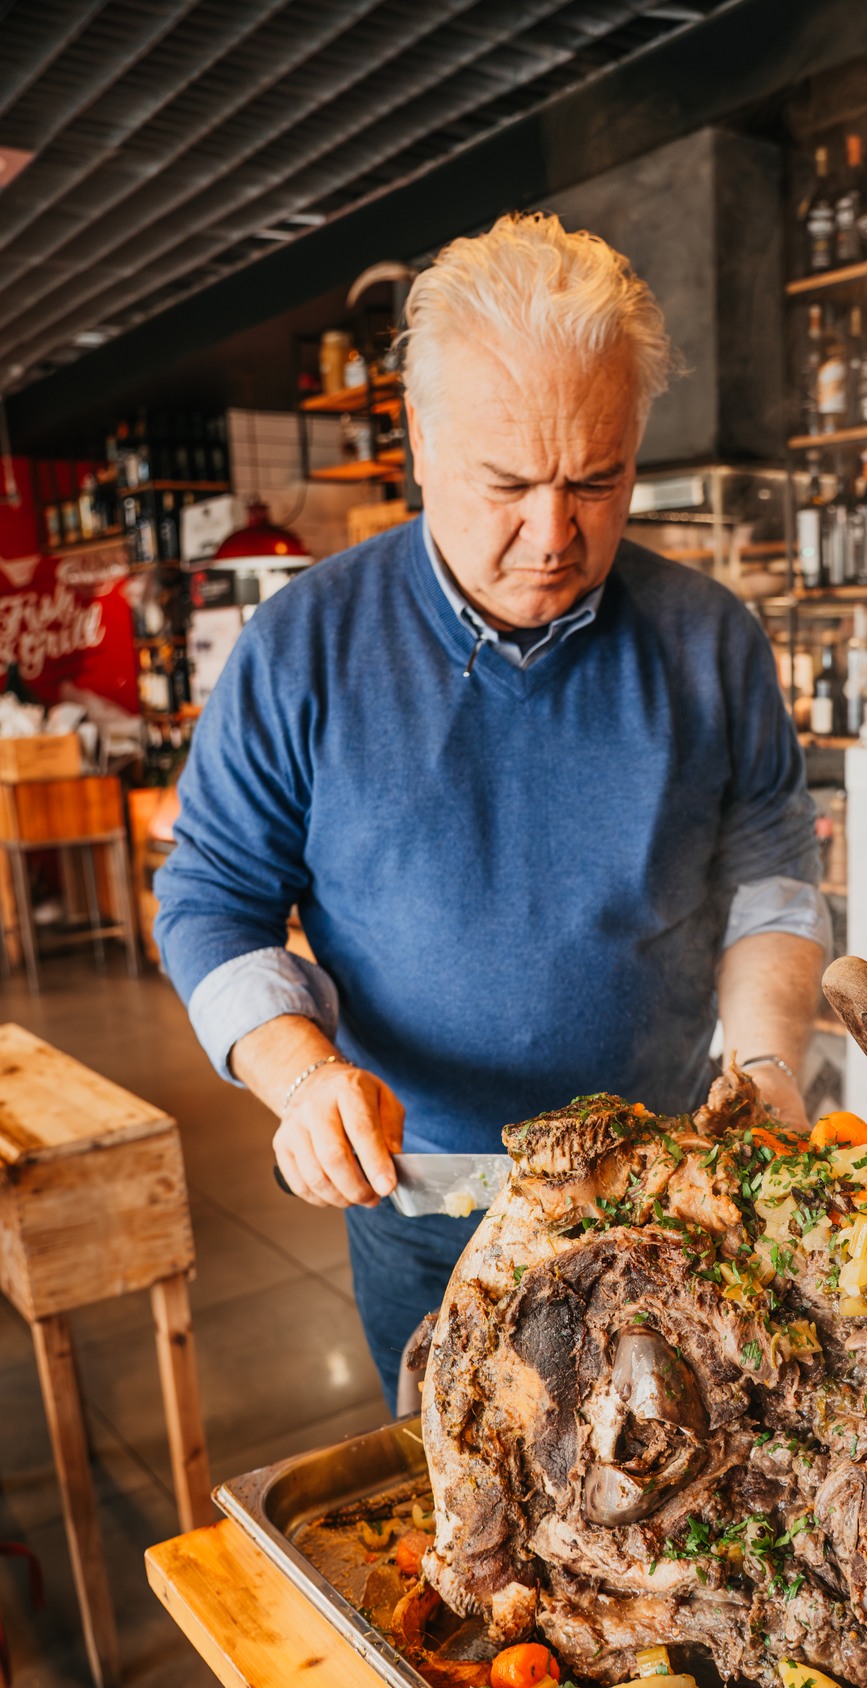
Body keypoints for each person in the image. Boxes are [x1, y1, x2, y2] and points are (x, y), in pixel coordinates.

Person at [155, 212, 828, 1408]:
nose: (554, 534)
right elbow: (212, 900)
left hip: (664, 1188)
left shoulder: (710, 639)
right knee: (458, 1495)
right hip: (424, 1195)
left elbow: (772, 880)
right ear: (421, 440)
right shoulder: (304, 645)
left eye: (597, 480)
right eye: (508, 483)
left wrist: (771, 1063)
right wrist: (302, 1077)